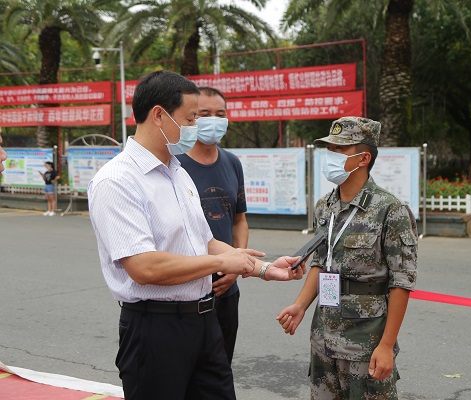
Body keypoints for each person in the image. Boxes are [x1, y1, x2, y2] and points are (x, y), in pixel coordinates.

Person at [87, 70, 306, 400]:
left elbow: (204, 240)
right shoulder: (117, 181)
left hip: (204, 323)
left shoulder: (178, 173)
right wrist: (220, 261)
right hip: (155, 330)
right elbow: (144, 268)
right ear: (159, 115)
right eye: (191, 118)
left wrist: (265, 269)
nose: (197, 128)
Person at [276, 116, 418, 400]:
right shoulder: (325, 206)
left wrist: (387, 345)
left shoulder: (391, 210)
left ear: (363, 157)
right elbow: (320, 261)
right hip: (324, 339)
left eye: (340, 150)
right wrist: (301, 305)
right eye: (330, 149)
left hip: (366, 343)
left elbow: (401, 281)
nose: (331, 156)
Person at [177, 87, 246, 365]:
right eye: (204, 114)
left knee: (221, 367)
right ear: (192, 118)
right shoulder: (174, 164)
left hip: (226, 288)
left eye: (220, 114)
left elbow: (240, 219)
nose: (213, 120)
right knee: (187, 370)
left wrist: (237, 266)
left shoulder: (232, 162)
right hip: (188, 286)